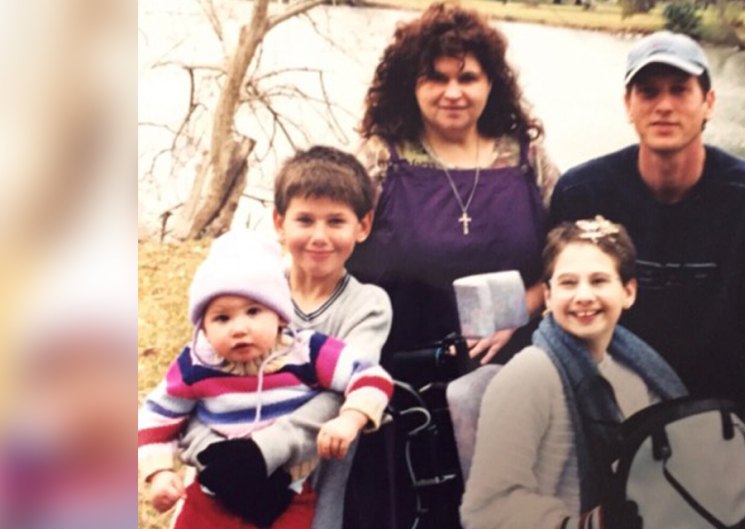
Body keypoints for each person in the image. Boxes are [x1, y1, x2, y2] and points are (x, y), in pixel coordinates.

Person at [549, 31, 745, 475]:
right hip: (611, 417)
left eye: (680, 90)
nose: (663, 105)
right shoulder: (582, 192)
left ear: (708, 102)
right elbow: (562, 316)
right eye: (648, 91)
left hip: (726, 425)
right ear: (628, 104)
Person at [175, 146, 394, 529]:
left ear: (363, 226)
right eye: (305, 220)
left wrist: (263, 452)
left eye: (336, 222)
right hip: (223, 476)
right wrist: (215, 455)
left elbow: (341, 393)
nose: (319, 237)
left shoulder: (367, 304)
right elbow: (194, 380)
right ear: (279, 222)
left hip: (312, 476)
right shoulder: (245, 289)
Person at [350, 1, 559, 369]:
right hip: (392, 372)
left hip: (513, 369)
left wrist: (520, 310)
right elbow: (324, 249)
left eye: (467, 78)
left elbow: (570, 260)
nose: (452, 92)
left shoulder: (529, 161)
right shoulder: (380, 159)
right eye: (436, 77)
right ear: (410, 84)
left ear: (491, 83)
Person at [137, 230, 393, 529]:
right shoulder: (197, 363)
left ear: (281, 316)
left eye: (254, 311)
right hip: (212, 496)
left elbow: (370, 375)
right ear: (203, 329)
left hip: (284, 495)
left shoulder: (306, 351)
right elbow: (156, 418)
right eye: (222, 318)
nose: (239, 328)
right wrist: (158, 473)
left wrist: (351, 416)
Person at [461, 217, 687, 529]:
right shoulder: (528, 376)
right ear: (549, 296)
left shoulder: (639, 368)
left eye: (598, 281)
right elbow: (486, 509)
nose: (583, 296)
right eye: (568, 283)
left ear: (628, 292)